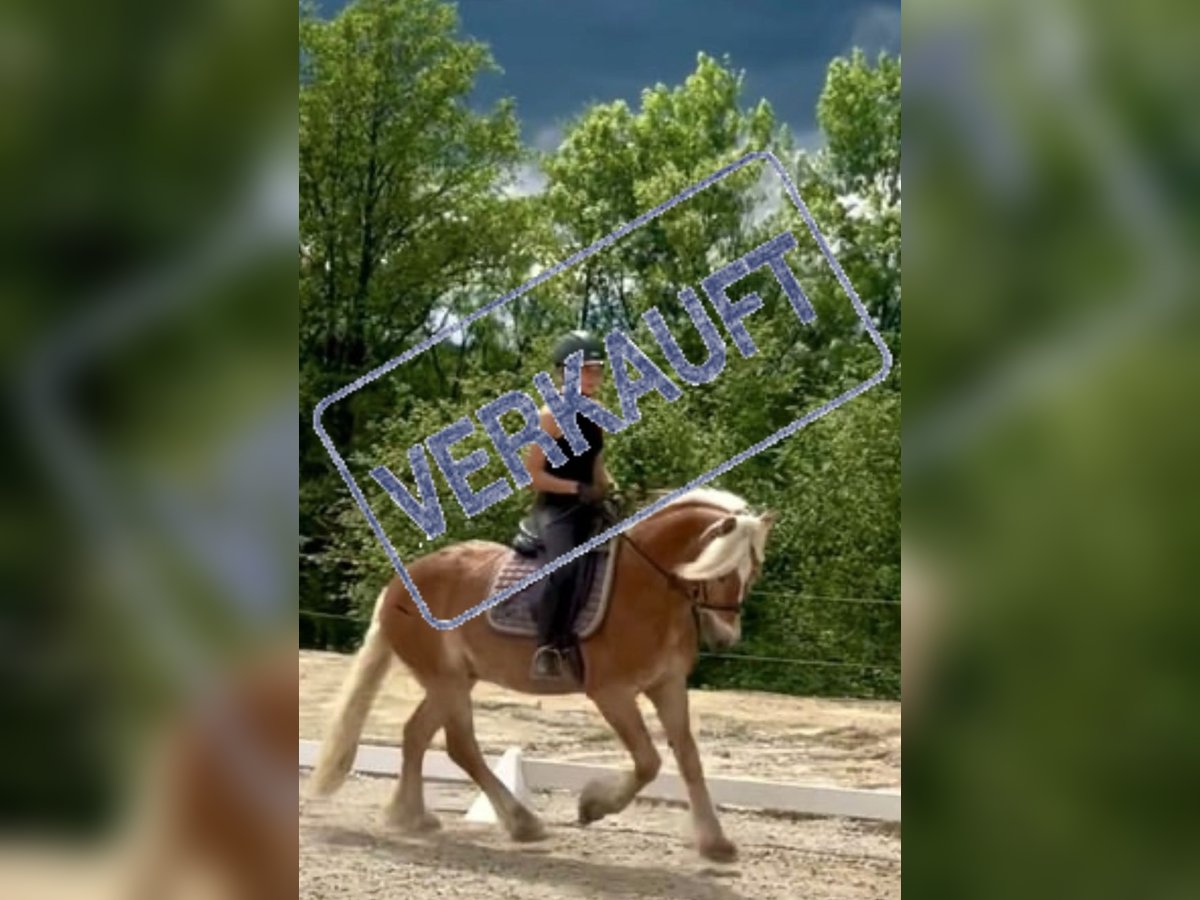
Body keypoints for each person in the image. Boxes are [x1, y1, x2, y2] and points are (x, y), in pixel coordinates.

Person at [522, 330, 614, 680]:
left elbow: (596, 465)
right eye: (587, 371)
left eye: (597, 371)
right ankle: (548, 646)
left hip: (589, 505)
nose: (595, 378)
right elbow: (531, 475)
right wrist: (575, 488)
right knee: (564, 569)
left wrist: (610, 489)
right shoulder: (550, 416)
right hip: (556, 510)